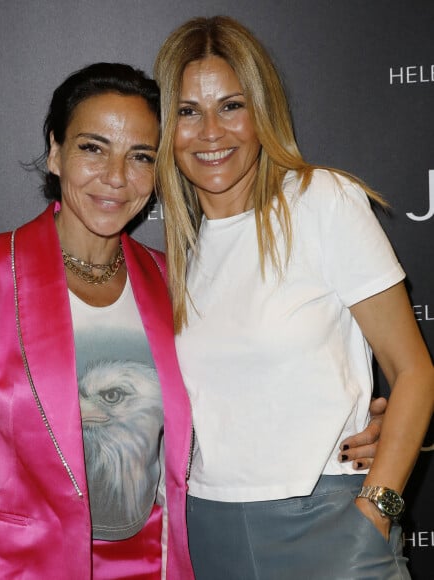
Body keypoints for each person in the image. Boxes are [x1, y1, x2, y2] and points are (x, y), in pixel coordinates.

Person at [153, 15, 434, 580]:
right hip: (208, 531)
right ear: (167, 127)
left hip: (331, 525)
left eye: (231, 106)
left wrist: (375, 512)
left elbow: (413, 371)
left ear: (262, 112)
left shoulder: (320, 200)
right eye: (188, 111)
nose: (211, 131)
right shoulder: (176, 256)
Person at [0, 62, 196, 579]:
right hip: (21, 567)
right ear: (55, 152)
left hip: (152, 565)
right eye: (93, 147)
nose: (116, 177)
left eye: (140, 156)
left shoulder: (170, 278)